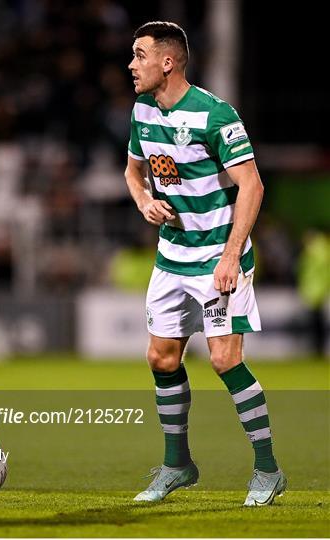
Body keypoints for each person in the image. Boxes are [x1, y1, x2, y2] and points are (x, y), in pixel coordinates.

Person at [125, 21, 286, 507]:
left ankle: (267, 469)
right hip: (172, 255)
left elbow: (252, 185)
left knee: (224, 359)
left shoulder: (215, 115)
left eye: (139, 55)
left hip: (217, 253)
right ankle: (178, 465)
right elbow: (133, 171)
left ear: (167, 62)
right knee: (161, 358)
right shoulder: (141, 111)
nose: (131, 65)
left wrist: (231, 255)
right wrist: (143, 201)